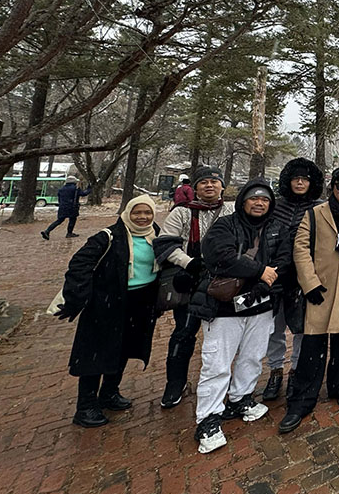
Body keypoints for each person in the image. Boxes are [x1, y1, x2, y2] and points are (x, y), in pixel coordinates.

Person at [278, 168, 339, 434]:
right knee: (312, 346)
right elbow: (300, 249)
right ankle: (302, 399)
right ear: (332, 186)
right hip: (320, 290)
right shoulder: (315, 213)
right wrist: (309, 283)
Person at [189, 179, 286, 454]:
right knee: (217, 363)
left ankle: (240, 397)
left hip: (261, 304)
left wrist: (262, 286)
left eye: (265, 199)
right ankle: (208, 417)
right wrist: (259, 271)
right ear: (243, 201)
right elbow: (219, 256)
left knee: (253, 357)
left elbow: (283, 261)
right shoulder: (225, 225)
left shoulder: (276, 228)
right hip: (224, 306)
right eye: (254, 198)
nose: (259, 203)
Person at [55, 194, 161, 427]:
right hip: (106, 304)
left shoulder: (156, 235)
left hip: (140, 303)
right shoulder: (108, 236)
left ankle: (109, 393)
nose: (142, 217)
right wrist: (79, 295)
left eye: (147, 212)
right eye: (137, 212)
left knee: (123, 349)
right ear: (127, 214)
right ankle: (85, 406)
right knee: (96, 353)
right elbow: (80, 263)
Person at [152, 166, 235, 409]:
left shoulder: (231, 210)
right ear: (195, 187)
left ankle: (222, 383)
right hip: (191, 281)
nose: (209, 186)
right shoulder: (182, 212)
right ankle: (175, 383)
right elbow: (165, 244)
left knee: (224, 336)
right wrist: (189, 263)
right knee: (184, 333)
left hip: (224, 282)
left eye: (214, 182)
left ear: (222, 186)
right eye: (204, 182)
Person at [261, 157, 324, 402]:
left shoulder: (318, 208)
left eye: (304, 179)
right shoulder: (276, 207)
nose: (300, 183)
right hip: (275, 276)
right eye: (296, 178)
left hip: (302, 277)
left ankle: (296, 370)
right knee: (274, 329)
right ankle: (275, 370)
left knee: (300, 328)